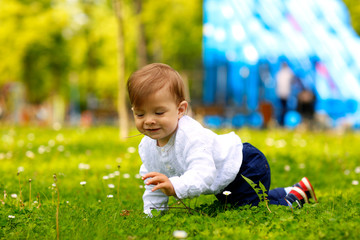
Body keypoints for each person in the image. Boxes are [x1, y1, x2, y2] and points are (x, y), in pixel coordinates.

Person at [127, 63, 318, 216]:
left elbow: (204, 173)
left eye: (159, 112)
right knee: (243, 200)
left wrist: (175, 186)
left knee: (250, 209)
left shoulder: (190, 135)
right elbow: (154, 183)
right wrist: (152, 214)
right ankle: (291, 189)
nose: (149, 121)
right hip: (226, 181)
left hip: (245, 166)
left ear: (180, 110)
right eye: (140, 114)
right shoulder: (147, 147)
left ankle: (294, 199)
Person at [276, 62, 294, 126]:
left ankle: (282, 121)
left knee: (283, 108)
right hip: (285, 93)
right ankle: (283, 122)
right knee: (284, 108)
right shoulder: (288, 72)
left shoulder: (280, 72)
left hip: (282, 93)